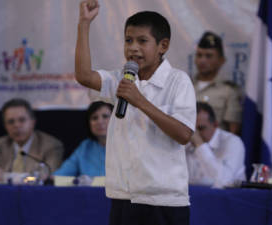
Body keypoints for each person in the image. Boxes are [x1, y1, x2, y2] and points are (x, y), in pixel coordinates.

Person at [75, 1, 196, 224]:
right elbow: (84, 76)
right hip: (123, 196)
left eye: (142, 41)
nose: (133, 48)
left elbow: (184, 134)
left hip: (163, 202)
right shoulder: (121, 78)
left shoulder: (178, 81)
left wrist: (140, 101)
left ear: (163, 45)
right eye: (128, 40)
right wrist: (84, 24)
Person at [0, 98, 64, 183]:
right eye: (11, 122)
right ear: (5, 126)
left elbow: (45, 179)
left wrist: (4, 177)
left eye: (22, 120)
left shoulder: (51, 146)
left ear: (33, 122)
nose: (16, 125)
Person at [186, 102, 245, 188]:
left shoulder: (233, 142)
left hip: (228, 198)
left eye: (201, 128)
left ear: (215, 125)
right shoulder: (186, 144)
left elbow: (223, 181)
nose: (195, 134)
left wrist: (200, 144)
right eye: (191, 129)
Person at [193, 31, 242, 134]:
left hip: (215, 148)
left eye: (209, 56)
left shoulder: (229, 90)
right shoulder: (185, 84)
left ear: (221, 60)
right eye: (199, 55)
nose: (202, 60)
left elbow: (233, 132)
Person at [54, 101, 113, 177]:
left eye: (105, 116)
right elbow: (62, 174)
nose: (100, 122)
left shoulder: (126, 146)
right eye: (94, 118)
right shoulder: (86, 146)